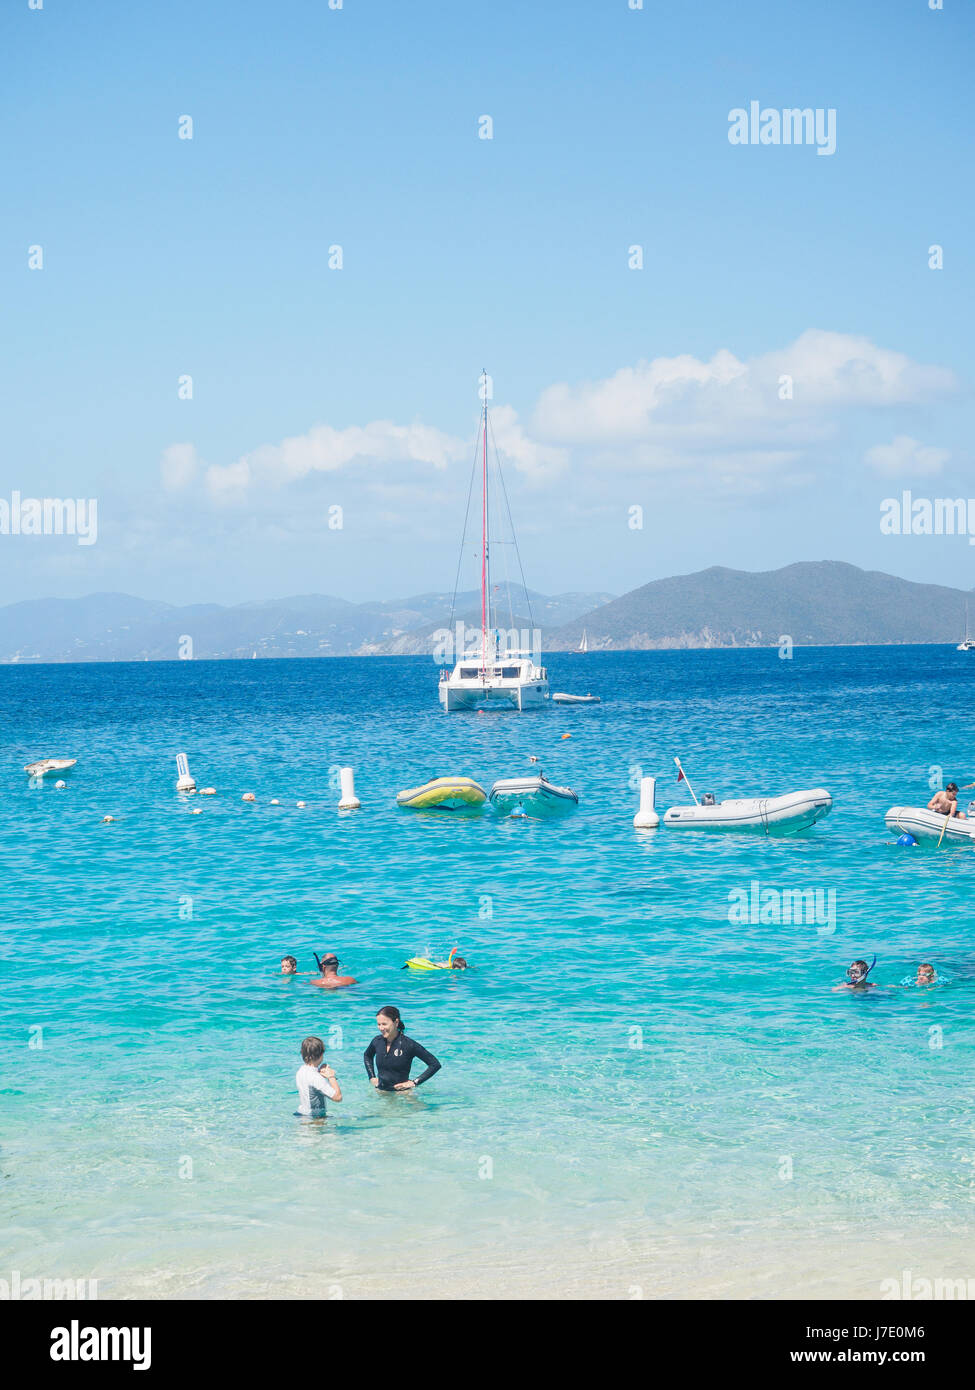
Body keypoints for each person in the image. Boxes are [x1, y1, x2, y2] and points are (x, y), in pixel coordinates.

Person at [363, 1006, 441, 1092]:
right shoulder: (377, 1041)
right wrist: (372, 1077)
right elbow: (367, 1055)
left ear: (396, 1022)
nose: (381, 1028)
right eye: (379, 1024)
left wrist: (414, 1082)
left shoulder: (408, 1044)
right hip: (381, 1091)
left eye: (384, 1024)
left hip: (402, 1094)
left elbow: (435, 1064)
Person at [295, 1036, 342, 1118]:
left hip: (302, 1113)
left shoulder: (301, 1071)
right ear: (321, 1055)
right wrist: (331, 1077)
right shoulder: (316, 1078)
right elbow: (337, 1097)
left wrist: (319, 1072)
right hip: (314, 1118)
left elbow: (311, 1085)